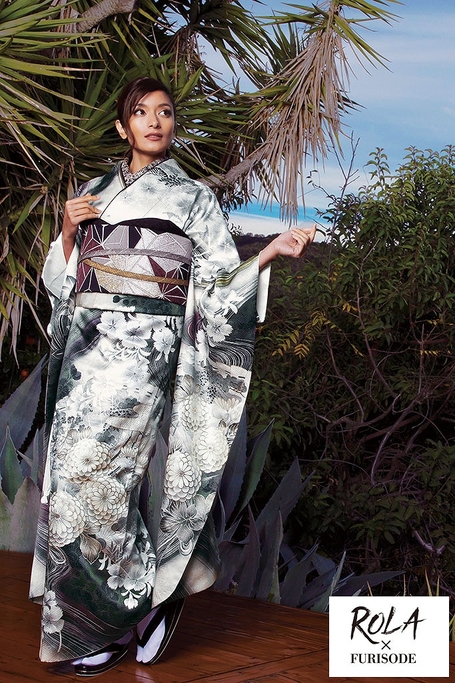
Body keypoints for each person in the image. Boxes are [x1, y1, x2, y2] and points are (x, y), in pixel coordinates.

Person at [29, 76, 316, 677]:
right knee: (74, 483)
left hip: (144, 350)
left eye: (164, 112)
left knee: (106, 478)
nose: (154, 122)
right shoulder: (93, 191)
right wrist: (68, 232)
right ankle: (141, 601)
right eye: (141, 112)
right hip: (86, 348)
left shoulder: (192, 198)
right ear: (122, 126)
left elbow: (215, 288)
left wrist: (267, 252)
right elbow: (65, 283)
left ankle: (126, 609)